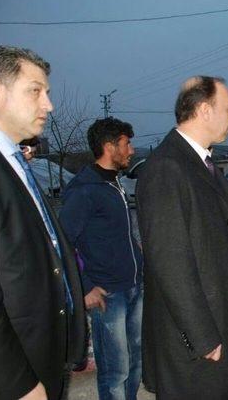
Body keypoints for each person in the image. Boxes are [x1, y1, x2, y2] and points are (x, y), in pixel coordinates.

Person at [136, 76, 228, 399]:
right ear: (205, 110)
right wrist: (203, 336)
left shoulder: (203, 165)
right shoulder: (166, 167)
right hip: (199, 343)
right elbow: (170, 261)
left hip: (226, 323)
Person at [0, 45, 85, 399]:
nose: (49, 105)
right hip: (13, 375)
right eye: (35, 91)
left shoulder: (11, 159)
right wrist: (16, 383)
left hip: (41, 357)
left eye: (48, 93)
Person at [59, 117, 143, 400]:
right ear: (110, 147)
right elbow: (62, 243)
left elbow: (119, 234)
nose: (131, 150)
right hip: (108, 294)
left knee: (134, 364)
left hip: (133, 287)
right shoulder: (84, 189)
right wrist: (84, 286)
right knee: (115, 371)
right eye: (126, 143)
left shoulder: (114, 183)